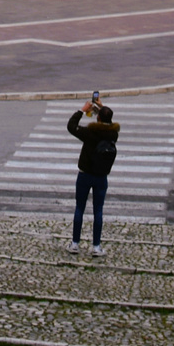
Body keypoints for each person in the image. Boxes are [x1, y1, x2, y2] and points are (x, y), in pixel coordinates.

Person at [67, 99, 119, 256]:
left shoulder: (89, 133)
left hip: (85, 175)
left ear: (97, 119)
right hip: (101, 177)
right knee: (98, 211)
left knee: (79, 208)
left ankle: (75, 243)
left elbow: (71, 126)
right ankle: (96, 246)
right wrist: (101, 108)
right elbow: (108, 122)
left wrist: (82, 110)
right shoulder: (113, 134)